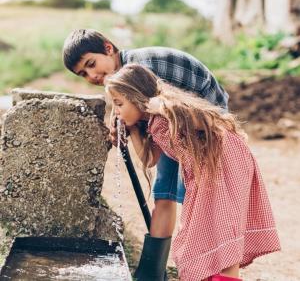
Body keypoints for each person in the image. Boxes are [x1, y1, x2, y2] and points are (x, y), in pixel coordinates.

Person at [62, 29, 229, 279]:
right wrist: (123, 123)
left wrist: (126, 122)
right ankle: (151, 272)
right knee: (164, 193)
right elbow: (150, 153)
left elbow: (160, 120)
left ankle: (212, 265)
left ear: (109, 49)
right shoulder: (123, 82)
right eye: (83, 74)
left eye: (91, 64)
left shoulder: (142, 69)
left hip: (205, 121)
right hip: (174, 125)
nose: (92, 75)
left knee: (197, 197)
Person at [104, 63, 281, 281]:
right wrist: (131, 129)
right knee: (203, 228)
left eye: (119, 104)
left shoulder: (165, 110)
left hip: (224, 162)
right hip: (206, 170)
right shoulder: (152, 123)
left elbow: (207, 120)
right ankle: (211, 275)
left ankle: (225, 276)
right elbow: (149, 160)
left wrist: (165, 107)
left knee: (221, 225)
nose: (116, 111)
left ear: (136, 96)